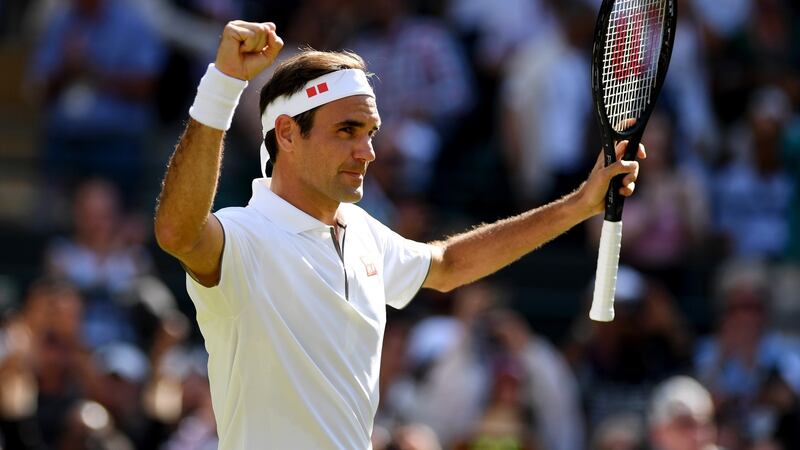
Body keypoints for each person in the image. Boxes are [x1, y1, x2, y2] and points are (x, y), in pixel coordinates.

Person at [153, 20, 644, 449]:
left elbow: (449, 265)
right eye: (346, 130)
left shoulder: (362, 232)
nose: (368, 151)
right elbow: (177, 230)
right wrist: (221, 87)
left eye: (371, 131)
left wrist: (581, 203)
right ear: (286, 134)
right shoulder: (242, 236)